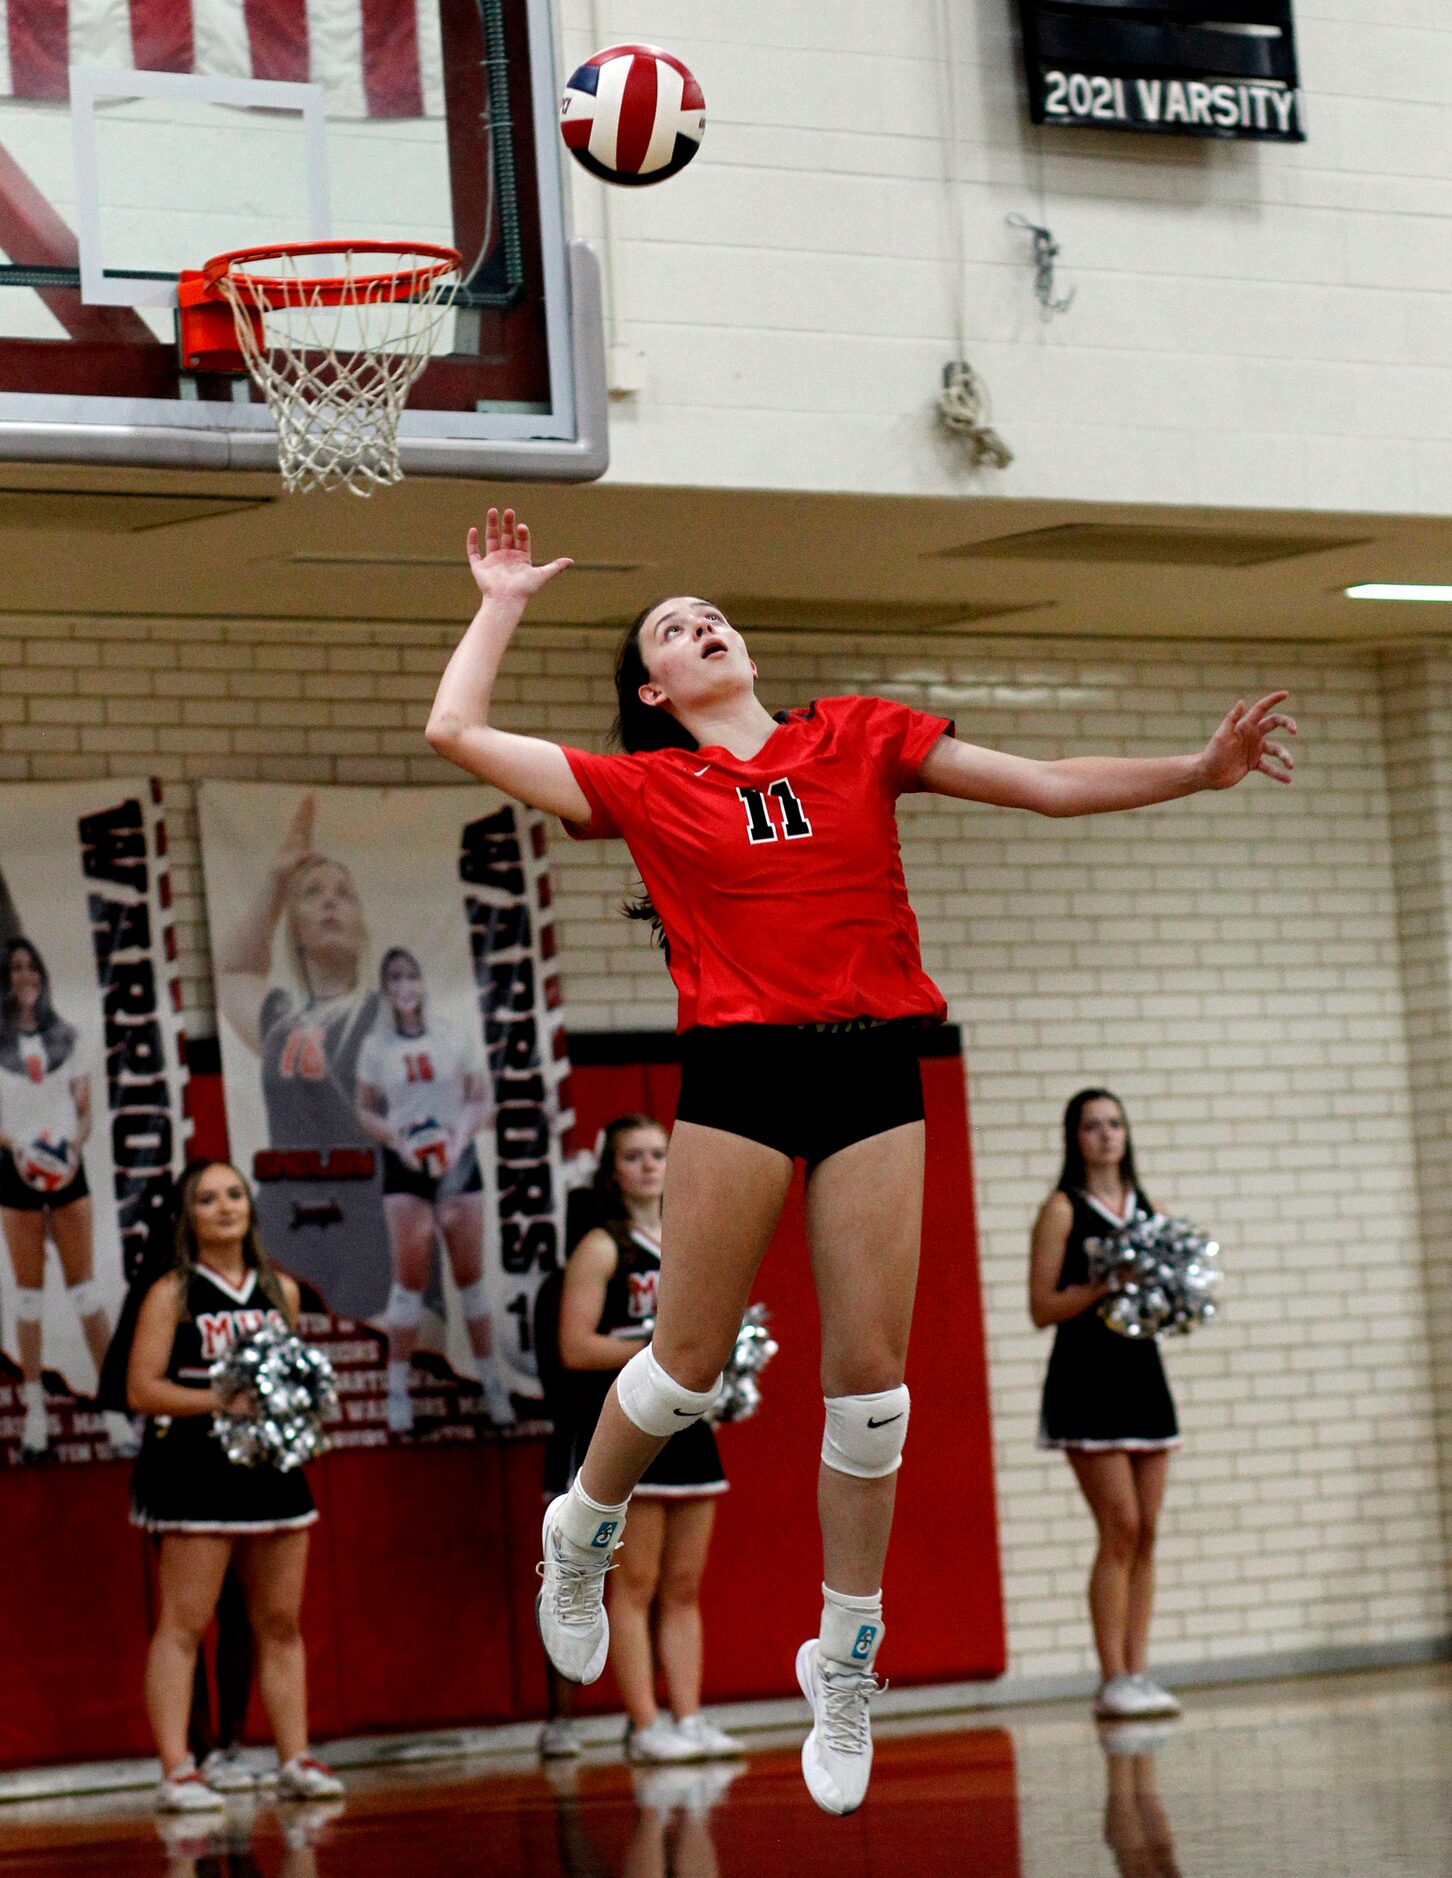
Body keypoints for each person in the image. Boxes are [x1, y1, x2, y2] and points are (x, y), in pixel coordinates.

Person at [425, 506, 1296, 1816]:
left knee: (873, 1389)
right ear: (654, 691)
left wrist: (1201, 767)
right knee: (686, 1363)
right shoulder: (646, 785)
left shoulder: (859, 733)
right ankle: (581, 1530)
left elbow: (1050, 783)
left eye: (710, 612)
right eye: (670, 629)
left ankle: (845, 1656)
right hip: (742, 1068)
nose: (700, 623)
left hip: (876, 1061)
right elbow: (456, 735)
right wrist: (499, 600)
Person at [128, 1159, 343, 1811]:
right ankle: (178, 1771)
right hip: (193, 1472)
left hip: (273, 1473)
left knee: (280, 1624)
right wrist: (224, 1400)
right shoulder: (172, 1291)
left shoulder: (281, 1291)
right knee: (184, 1625)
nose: (225, 1207)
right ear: (185, 1215)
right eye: (207, 1198)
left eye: (234, 1195)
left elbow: (291, 1381)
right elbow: (143, 1388)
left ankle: (294, 1758)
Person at [557, 1114, 742, 1765]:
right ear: (612, 1172)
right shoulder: (603, 1247)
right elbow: (575, 1346)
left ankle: (688, 1718)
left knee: (684, 1585)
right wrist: (658, 1352)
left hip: (690, 1434)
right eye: (632, 1156)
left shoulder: (693, 1241)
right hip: (630, 1426)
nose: (647, 1166)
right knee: (633, 1583)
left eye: (658, 1154)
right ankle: (643, 1724)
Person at [1030, 1089, 1182, 1722]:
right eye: (1092, 1126)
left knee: (1146, 1531)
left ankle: (1139, 1672)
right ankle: (1112, 1677)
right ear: (1075, 1137)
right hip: (1085, 1381)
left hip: (1143, 1377)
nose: (1106, 1135)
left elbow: (1171, 1299)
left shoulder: (1149, 1209)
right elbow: (1042, 1308)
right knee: (1118, 1525)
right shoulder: (1062, 1211)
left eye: (1115, 1123)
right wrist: (1104, 1285)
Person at [214, 795, 389, 1320]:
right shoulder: (280, 1017)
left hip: (372, 1218)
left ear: (361, 923)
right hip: (289, 1218)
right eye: (312, 894)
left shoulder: (390, 1013)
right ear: (293, 926)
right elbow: (234, 973)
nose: (329, 902)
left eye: (342, 894)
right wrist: (275, 879)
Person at [355, 946, 514, 1431]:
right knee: (410, 1280)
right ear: (385, 990)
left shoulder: (451, 1037)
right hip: (406, 1163)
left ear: (422, 983)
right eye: (393, 979)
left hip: (456, 1160)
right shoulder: (376, 1047)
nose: (403, 987)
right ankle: (397, 1390)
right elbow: (366, 1109)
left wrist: (458, 1138)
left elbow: (481, 1097)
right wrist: (396, 1139)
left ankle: (491, 1382)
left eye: (410, 976)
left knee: (470, 1277)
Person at [0, 936, 131, 1457]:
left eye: (32, 966)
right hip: (14, 1172)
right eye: (14, 968)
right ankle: (35, 1418)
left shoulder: (68, 1037)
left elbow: (83, 1111)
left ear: (44, 976)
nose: (24, 976)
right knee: (28, 1296)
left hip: (67, 1173)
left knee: (86, 1294)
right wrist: (20, 1149)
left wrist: (72, 1150)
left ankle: (116, 1414)